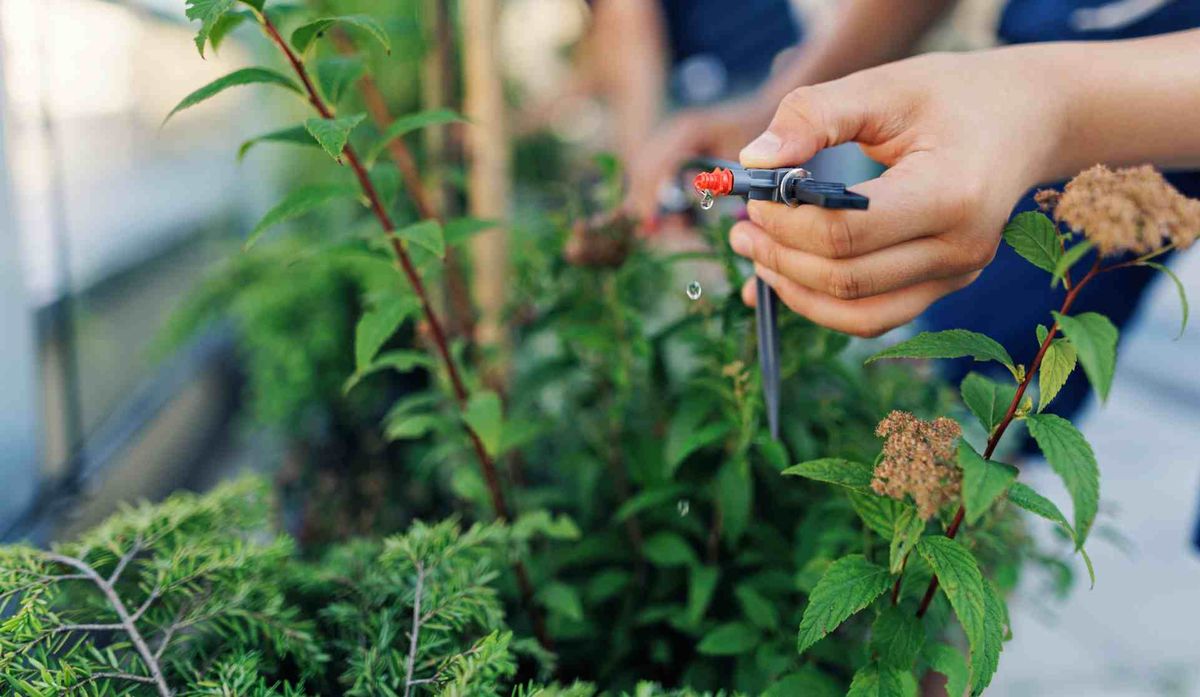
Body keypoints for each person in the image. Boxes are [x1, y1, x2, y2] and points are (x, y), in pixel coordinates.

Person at [627, 0, 1200, 423]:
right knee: (958, 392)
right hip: (1033, 89)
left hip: (1100, 91)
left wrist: (1046, 105)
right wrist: (773, 107)